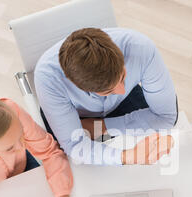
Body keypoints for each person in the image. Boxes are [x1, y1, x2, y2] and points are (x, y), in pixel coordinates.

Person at [34, 27, 177, 165]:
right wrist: (128, 156)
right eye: (109, 91)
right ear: (81, 88)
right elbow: (75, 146)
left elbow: (166, 116)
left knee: (160, 144)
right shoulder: (48, 79)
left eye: (123, 77)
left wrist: (101, 127)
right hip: (72, 114)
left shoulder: (141, 48)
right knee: (75, 166)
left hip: (111, 111)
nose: (122, 90)